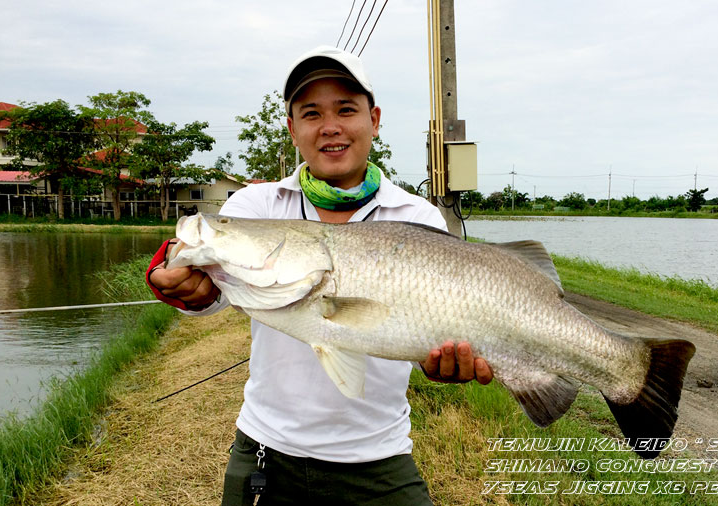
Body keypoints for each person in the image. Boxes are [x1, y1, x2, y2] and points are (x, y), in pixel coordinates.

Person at [146, 45, 493, 505]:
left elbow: (426, 334)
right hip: (266, 452)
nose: (329, 127)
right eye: (311, 113)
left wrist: (444, 361)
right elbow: (207, 291)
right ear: (292, 129)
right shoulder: (257, 206)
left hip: (379, 460)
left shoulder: (418, 217)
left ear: (374, 119)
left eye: (346, 109)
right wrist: (169, 274)